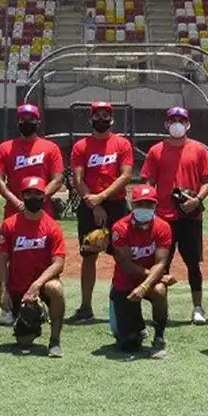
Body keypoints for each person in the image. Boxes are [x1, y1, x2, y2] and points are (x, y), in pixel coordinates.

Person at [140, 106, 208, 324]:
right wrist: (151, 205)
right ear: (166, 124)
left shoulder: (200, 150)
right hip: (164, 217)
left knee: (193, 264)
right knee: (162, 264)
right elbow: (148, 181)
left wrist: (197, 201)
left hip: (191, 216)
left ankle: (198, 307)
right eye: (173, 119)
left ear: (188, 123)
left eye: (181, 119)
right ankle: (162, 306)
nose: (177, 123)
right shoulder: (156, 151)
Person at [0, 103, 64, 323]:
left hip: (43, 211)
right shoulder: (5, 148)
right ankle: (6, 303)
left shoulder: (50, 148)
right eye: (22, 119)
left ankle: (48, 300)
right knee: (9, 256)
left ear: (38, 121)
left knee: (46, 253)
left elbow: (57, 178)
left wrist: (40, 197)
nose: (27, 122)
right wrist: (17, 201)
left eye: (31, 118)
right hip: (13, 212)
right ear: (17, 121)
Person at [69, 101, 134, 322]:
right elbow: (78, 179)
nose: (101, 119)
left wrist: (102, 198)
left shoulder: (121, 144)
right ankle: (86, 307)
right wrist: (94, 205)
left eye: (106, 115)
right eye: (97, 115)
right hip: (89, 206)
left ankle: (124, 300)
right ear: (91, 119)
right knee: (89, 255)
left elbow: (125, 176)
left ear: (112, 119)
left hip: (116, 204)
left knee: (122, 254)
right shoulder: (81, 146)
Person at [0, 176, 67, 357]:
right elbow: (2, 259)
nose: (33, 197)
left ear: (44, 197)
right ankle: (32, 315)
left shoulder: (52, 226)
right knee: (24, 342)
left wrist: (37, 285)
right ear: (23, 196)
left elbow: (58, 262)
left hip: (41, 286)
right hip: (18, 288)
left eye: (37, 194)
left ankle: (55, 340)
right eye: (28, 194)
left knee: (56, 288)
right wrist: (3, 290)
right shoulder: (10, 225)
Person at [109, 184, 172, 359]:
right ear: (132, 204)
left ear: (155, 206)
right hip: (125, 281)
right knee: (128, 344)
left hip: (149, 281)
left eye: (149, 205)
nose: (144, 209)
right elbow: (125, 263)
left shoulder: (163, 227)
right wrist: (154, 277)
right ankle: (136, 329)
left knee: (159, 290)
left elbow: (161, 262)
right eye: (140, 204)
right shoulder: (120, 228)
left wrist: (145, 285)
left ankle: (159, 336)